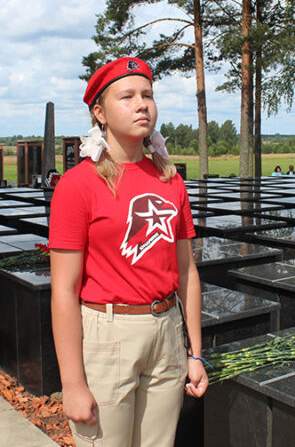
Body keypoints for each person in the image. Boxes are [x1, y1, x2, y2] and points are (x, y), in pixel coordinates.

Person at [49, 57, 207, 447]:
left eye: (148, 95)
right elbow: (64, 290)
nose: (142, 104)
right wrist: (72, 383)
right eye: (128, 96)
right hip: (107, 335)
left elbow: (186, 272)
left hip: (166, 332)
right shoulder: (77, 185)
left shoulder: (171, 180)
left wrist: (195, 353)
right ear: (99, 113)